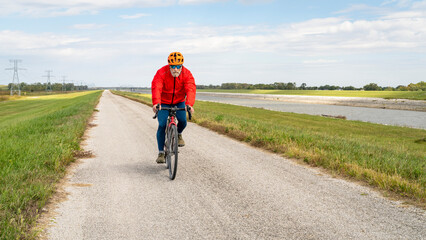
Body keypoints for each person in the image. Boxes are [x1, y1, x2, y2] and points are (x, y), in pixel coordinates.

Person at [151, 52, 196, 163]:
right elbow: (156, 87)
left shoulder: (187, 74)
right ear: (169, 66)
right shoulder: (161, 72)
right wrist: (156, 103)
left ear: (181, 66)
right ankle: (161, 152)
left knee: (183, 121)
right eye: (173, 66)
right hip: (164, 102)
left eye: (178, 66)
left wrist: (189, 104)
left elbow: (190, 88)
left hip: (179, 101)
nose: (175, 69)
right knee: (162, 125)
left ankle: (178, 133)